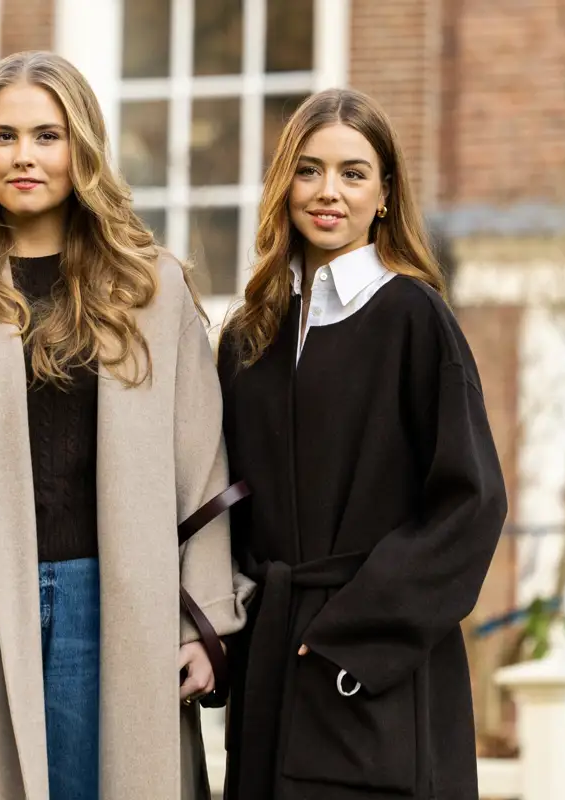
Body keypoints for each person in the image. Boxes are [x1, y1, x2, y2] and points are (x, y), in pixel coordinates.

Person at [0, 50, 251, 800]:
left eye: (46, 136)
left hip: (118, 603)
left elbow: (202, 464)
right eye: (3, 137)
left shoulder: (150, 286)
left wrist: (202, 622)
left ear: (81, 149)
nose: (23, 157)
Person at [216, 87, 507, 800]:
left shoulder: (415, 317)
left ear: (384, 195)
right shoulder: (248, 335)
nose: (328, 193)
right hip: (271, 659)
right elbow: (215, 495)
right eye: (309, 170)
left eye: (352, 173)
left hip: (374, 668)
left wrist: (352, 632)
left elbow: (470, 503)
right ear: (284, 185)